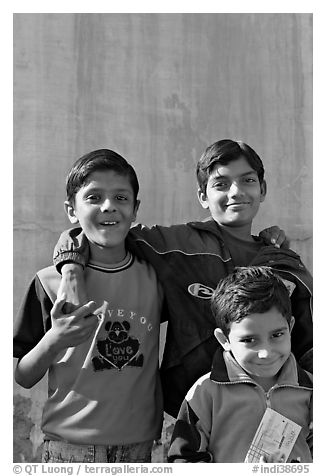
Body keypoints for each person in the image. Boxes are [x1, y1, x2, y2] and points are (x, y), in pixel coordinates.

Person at [52, 139, 313, 418]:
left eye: (247, 180)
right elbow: (100, 229)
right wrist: (70, 269)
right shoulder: (176, 246)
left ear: (262, 189)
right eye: (221, 184)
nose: (235, 192)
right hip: (195, 415)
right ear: (202, 196)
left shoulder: (283, 264)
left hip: (271, 413)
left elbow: (308, 345)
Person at [13, 149, 164, 463]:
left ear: (136, 209)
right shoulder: (48, 281)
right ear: (72, 209)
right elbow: (22, 375)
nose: (108, 206)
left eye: (121, 198)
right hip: (69, 449)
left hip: (139, 448)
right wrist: (56, 339)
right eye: (94, 197)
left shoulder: (157, 277)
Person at [168, 266, 313, 463]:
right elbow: (183, 459)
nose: (265, 353)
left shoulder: (311, 389)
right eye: (249, 340)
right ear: (224, 339)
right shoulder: (205, 393)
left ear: (291, 327)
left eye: (277, 335)